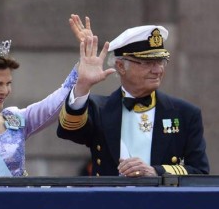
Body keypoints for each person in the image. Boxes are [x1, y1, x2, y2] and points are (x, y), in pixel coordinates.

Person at [0, 16, 114, 176]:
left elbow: (52, 104)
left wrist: (81, 73)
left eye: (8, 84)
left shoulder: (14, 120)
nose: (5, 91)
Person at [57, 21, 209, 176]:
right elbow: (68, 131)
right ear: (121, 66)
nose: (158, 70)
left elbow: (200, 172)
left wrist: (156, 173)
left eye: (161, 61)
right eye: (148, 62)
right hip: (110, 199)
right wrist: (82, 86)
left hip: (161, 200)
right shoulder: (99, 109)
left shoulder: (185, 114)